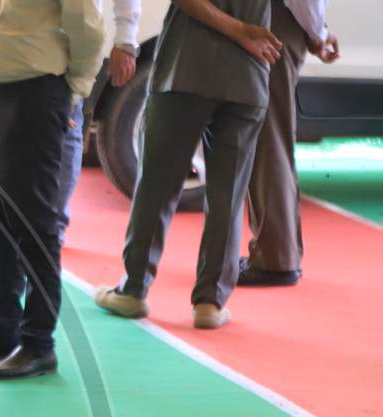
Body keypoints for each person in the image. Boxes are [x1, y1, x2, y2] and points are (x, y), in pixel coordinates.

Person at [0, 0, 105, 380]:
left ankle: (38, 343)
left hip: (35, 94)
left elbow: (88, 27)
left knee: (34, 226)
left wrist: (74, 87)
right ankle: (4, 328)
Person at [93, 0, 276, 330]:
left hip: (185, 68)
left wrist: (240, 31)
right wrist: (317, 34)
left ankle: (133, 289)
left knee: (157, 185)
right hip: (248, 75)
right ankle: (210, 301)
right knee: (228, 196)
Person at [240, 0, 337, 287]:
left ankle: (276, 257)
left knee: (270, 142)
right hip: (279, 22)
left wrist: (318, 31)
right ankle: (275, 251)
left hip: (276, 22)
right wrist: (317, 30)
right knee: (268, 140)